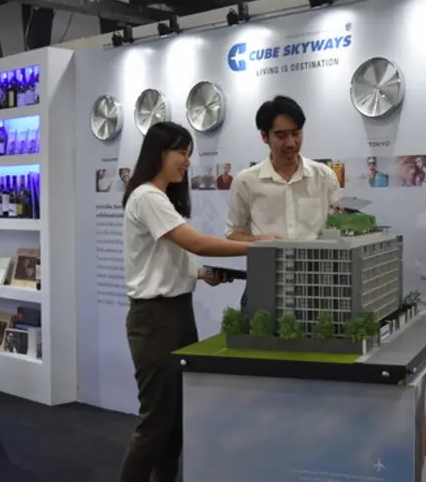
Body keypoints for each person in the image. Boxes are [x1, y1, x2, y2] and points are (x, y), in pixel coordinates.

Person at [119, 121, 252, 482]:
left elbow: (164, 258)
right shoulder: (147, 196)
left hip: (176, 313)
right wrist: (255, 247)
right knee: (156, 422)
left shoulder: (158, 198)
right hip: (155, 319)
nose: (187, 161)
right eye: (181, 152)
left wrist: (199, 273)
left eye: (188, 153)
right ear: (158, 153)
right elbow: (196, 243)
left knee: (175, 421)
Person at [225, 95, 341, 307]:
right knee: (259, 329)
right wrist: (260, 242)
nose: (291, 143)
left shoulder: (324, 176)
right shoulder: (246, 181)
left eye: (296, 133)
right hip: (264, 282)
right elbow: (233, 234)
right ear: (264, 136)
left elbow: (337, 227)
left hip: (318, 285)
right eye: (281, 135)